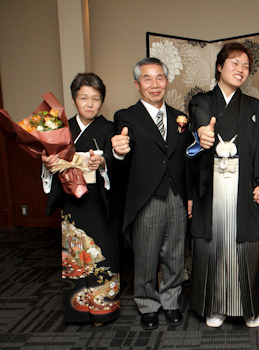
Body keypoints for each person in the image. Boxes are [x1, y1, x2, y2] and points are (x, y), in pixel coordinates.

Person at [186, 42, 259, 328]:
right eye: (234, 63)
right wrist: (204, 133)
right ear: (220, 66)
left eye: (246, 66)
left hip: (243, 189)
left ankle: (248, 308)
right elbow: (201, 122)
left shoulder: (254, 107)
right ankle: (215, 306)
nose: (241, 70)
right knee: (213, 245)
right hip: (213, 188)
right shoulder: (202, 101)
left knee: (245, 246)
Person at [111, 57, 191, 330]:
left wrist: (189, 195)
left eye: (160, 77)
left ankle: (170, 301)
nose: (154, 84)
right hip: (147, 197)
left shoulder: (180, 117)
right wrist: (119, 148)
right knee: (145, 256)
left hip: (177, 195)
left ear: (167, 81)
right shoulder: (126, 116)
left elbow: (185, 160)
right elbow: (124, 140)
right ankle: (147, 304)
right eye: (147, 78)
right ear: (137, 84)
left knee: (175, 255)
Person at [42, 72, 120, 325]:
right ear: (74, 99)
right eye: (83, 98)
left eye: (95, 99)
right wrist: (48, 164)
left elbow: (119, 162)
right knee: (76, 255)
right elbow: (48, 165)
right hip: (71, 201)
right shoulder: (63, 129)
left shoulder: (109, 128)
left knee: (102, 253)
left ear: (102, 101)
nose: (89, 104)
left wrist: (104, 162)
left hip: (100, 200)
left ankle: (103, 311)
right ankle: (77, 311)